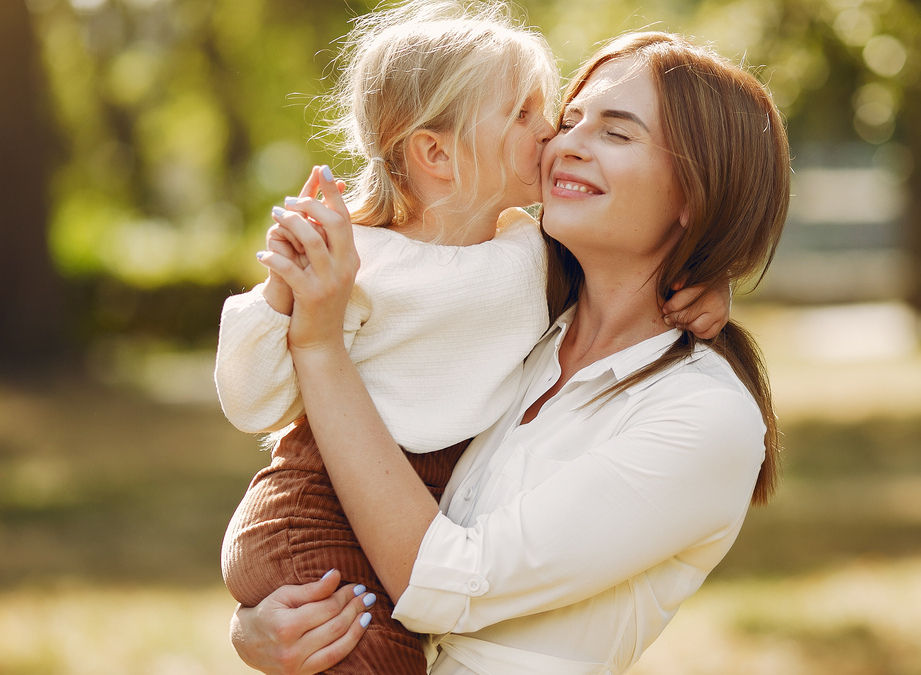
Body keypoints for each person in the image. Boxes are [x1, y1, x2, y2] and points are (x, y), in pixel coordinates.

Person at [234, 29, 789, 675]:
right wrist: (262, 620)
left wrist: (321, 347)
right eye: (569, 118)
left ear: (697, 191)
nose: (566, 142)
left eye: (616, 132)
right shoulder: (504, 322)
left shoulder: (704, 414)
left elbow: (447, 584)